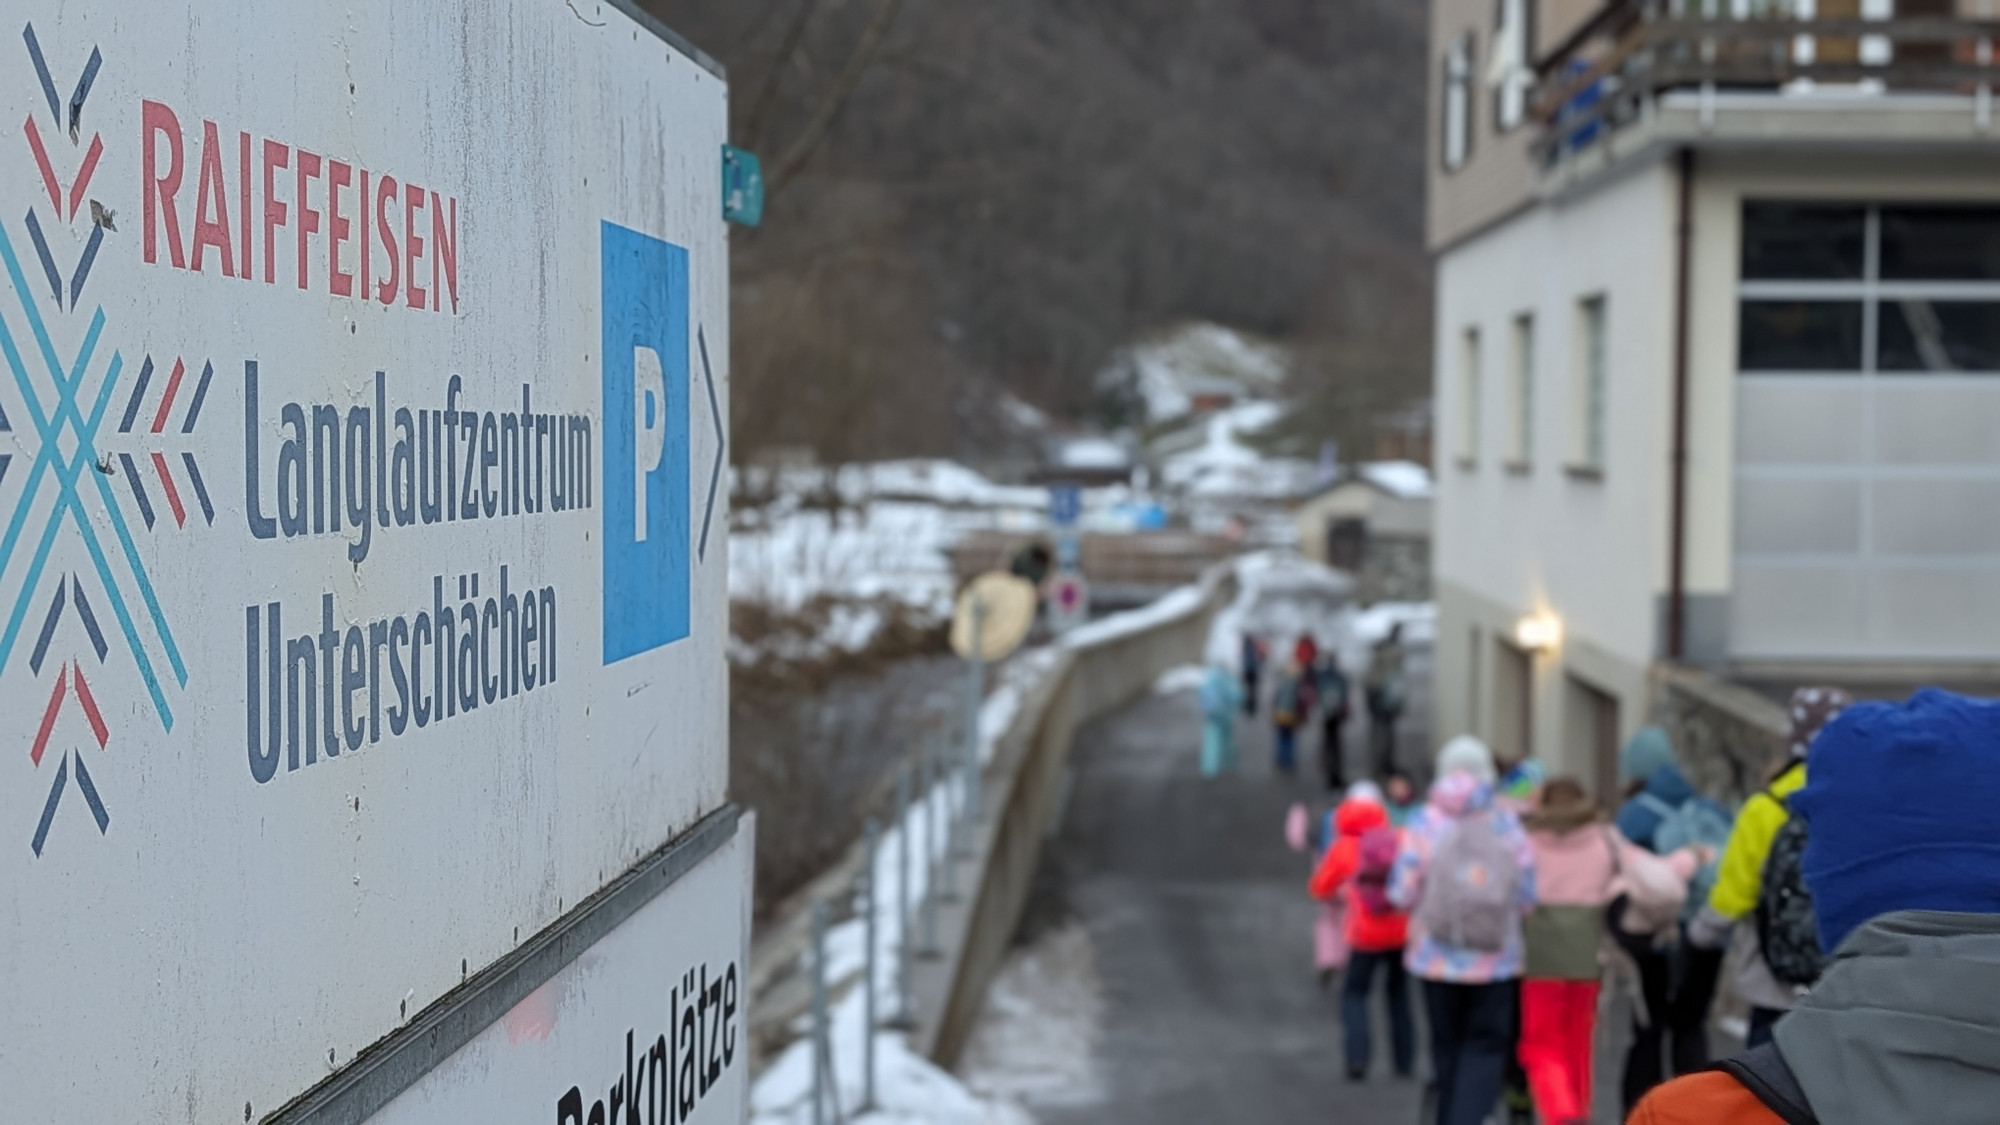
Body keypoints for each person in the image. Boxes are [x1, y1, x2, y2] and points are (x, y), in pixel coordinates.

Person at [1629, 688, 2000, 1124]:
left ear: (1825, 882)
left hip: (1775, 993)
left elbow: (1734, 891)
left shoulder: (1688, 1116)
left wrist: (1697, 936)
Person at [1687, 687, 1852, 1048]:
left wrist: (1701, 931)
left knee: (1765, 1072)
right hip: (1843, 976)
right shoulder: (1863, 803)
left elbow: (1737, 888)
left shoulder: (1766, 807)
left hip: (1772, 977)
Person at [1390, 762, 1537, 1125]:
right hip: (1496, 960)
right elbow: (1527, 895)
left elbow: (1401, 892)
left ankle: (1448, 1115)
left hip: (1434, 958)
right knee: (1486, 1046)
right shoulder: (1505, 823)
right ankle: (1472, 1115)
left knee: (1445, 1045)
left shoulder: (1424, 822)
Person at [1611, 726, 1730, 1111]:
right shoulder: (1706, 807)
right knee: (1690, 1027)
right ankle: (1695, 1114)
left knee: (1648, 1032)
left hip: (1653, 937)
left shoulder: (1634, 815)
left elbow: (1617, 874)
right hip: (1705, 934)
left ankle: (1641, 1113)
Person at [1517, 778, 1616, 1125]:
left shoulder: (1527, 842)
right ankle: (1580, 1108)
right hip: (1587, 952)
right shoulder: (1604, 839)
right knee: (1579, 1042)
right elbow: (1647, 872)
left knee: (1541, 1042)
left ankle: (1560, 1110)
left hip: (1539, 954)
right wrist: (1691, 857)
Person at [1311, 782, 1414, 1080]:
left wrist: (1342, 893)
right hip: (1400, 929)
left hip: (1364, 933)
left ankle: (1358, 1058)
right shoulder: (1398, 838)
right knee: (1399, 994)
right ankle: (1404, 1061)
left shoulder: (1343, 847)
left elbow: (1319, 887)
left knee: (1355, 993)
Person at [1365, 624, 1407, 777]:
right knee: (1383, 733)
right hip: (1381, 695)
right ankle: (1381, 765)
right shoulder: (1390, 652)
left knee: (1382, 732)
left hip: (1378, 694)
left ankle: (1383, 764)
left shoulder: (1385, 651)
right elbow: (1393, 678)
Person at [1197, 662, 1243, 777]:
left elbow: (1201, 692)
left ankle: (1209, 769)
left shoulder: (1209, 677)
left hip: (1211, 715)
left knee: (1211, 742)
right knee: (1227, 740)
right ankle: (1230, 763)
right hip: (1225, 714)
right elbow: (1236, 695)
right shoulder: (1227, 678)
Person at [1318, 652, 1352, 792]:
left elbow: (1317, 693)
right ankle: (1335, 774)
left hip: (1325, 714)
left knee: (1328, 743)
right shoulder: (1339, 676)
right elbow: (1345, 693)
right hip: (1336, 715)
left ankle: (1328, 772)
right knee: (1336, 745)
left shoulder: (1321, 675)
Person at [1270, 659, 1304, 775]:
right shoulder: (1296, 685)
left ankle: (1280, 760)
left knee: (1281, 738)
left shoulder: (1282, 682)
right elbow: (1297, 702)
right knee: (1289, 740)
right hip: (1290, 715)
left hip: (1280, 714)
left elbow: (1275, 698)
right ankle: (1289, 762)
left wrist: (1273, 711)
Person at [1240, 632, 1264, 717]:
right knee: (1252, 690)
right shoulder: (1253, 646)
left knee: (1248, 689)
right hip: (1252, 671)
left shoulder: (1246, 646)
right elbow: (1258, 659)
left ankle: (1248, 706)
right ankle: (1251, 707)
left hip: (1248, 671)